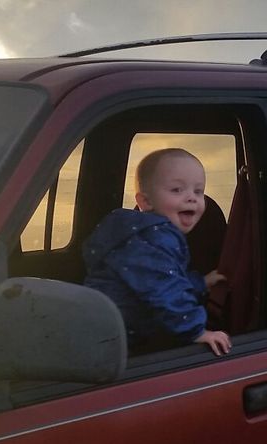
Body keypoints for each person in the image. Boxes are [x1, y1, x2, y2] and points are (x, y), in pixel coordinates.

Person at [83, 148, 231, 355]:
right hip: (115, 340)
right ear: (145, 202)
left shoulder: (141, 236)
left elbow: (166, 277)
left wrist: (201, 282)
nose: (191, 198)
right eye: (177, 190)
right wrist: (196, 331)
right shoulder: (154, 236)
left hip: (107, 331)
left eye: (198, 191)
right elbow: (164, 288)